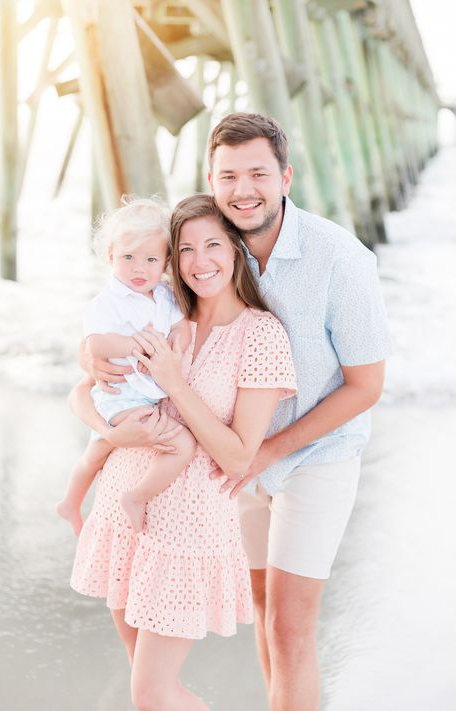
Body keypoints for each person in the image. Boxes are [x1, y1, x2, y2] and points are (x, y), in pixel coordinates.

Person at [87, 113, 392, 711]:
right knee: (259, 611)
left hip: (310, 457)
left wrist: (266, 453)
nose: (243, 188)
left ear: (286, 177)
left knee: (289, 626)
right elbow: (127, 302)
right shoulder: (208, 249)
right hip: (224, 451)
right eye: (229, 175)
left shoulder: (339, 258)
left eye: (258, 173)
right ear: (210, 178)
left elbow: (365, 385)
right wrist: (90, 353)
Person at [68, 194, 297, 711]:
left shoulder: (261, 334)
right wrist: (110, 431)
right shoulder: (164, 310)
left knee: (151, 695)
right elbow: (81, 392)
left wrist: (175, 381)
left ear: (236, 251)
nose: (200, 261)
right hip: (126, 507)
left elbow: (240, 457)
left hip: (187, 530)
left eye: (213, 245)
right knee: (146, 688)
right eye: (186, 248)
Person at [57, 197, 195, 536]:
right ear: (110, 256)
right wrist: (133, 346)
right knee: (181, 445)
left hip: (145, 393)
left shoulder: (164, 295)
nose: (139, 269)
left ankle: (70, 504)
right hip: (120, 394)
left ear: (165, 261)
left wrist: (178, 341)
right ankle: (135, 497)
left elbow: (182, 326)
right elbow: (96, 345)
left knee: (99, 450)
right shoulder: (107, 302)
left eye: (150, 259)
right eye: (128, 258)